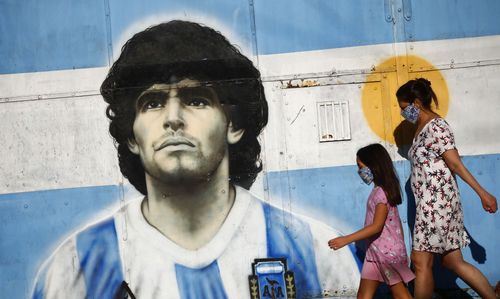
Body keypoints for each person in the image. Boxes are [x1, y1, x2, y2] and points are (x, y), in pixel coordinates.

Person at [31, 20, 360, 298]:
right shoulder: (77, 266)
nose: (173, 118)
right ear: (131, 135)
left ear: (233, 124)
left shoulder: (313, 250)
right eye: (153, 103)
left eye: (197, 100)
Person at [396, 78, 498, 299]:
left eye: (404, 108)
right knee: (453, 262)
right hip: (432, 205)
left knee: (421, 263)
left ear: (416, 102)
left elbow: (454, 163)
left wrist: (483, 193)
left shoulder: (436, 126)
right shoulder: (420, 129)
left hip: (437, 204)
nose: (402, 113)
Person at [328, 144, 414, 299]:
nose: (359, 171)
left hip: (386, 254)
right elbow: (397, 224)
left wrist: (346, 240)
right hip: (374, 254)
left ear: (374, 166)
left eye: (360, 166)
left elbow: (376, 226)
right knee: (363, 295)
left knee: (400, 293)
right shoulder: (379, 191)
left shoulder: (381, 193)